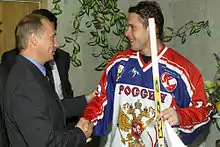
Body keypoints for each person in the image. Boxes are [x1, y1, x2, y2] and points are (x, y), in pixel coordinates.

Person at [82, 1, 213, 146]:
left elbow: (204, 111)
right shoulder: (119, 64)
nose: (127, 33)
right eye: (127, 27)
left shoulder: (181, 71)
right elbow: (101, 99)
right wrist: (88, 120)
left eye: (132, 27)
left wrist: (180, 117)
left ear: (153, 28)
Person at [4, 14, 93, 147]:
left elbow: (52, 109)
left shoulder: (31, 72)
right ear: (34, 40)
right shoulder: (26, 83)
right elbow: (45, 142)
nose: (56, 44)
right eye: (52, 37)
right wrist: (79, 134)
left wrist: (89, 98)